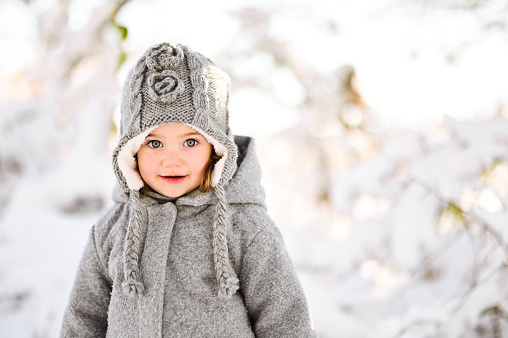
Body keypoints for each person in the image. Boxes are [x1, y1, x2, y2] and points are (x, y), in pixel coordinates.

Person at [60, 42, 317, 337]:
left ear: (216, 150)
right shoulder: (112, 229)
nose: (172, 159)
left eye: (191, 142)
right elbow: (83, 319)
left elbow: (285, 321)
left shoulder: (246, 228)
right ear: (130, 151)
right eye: (154, 143)